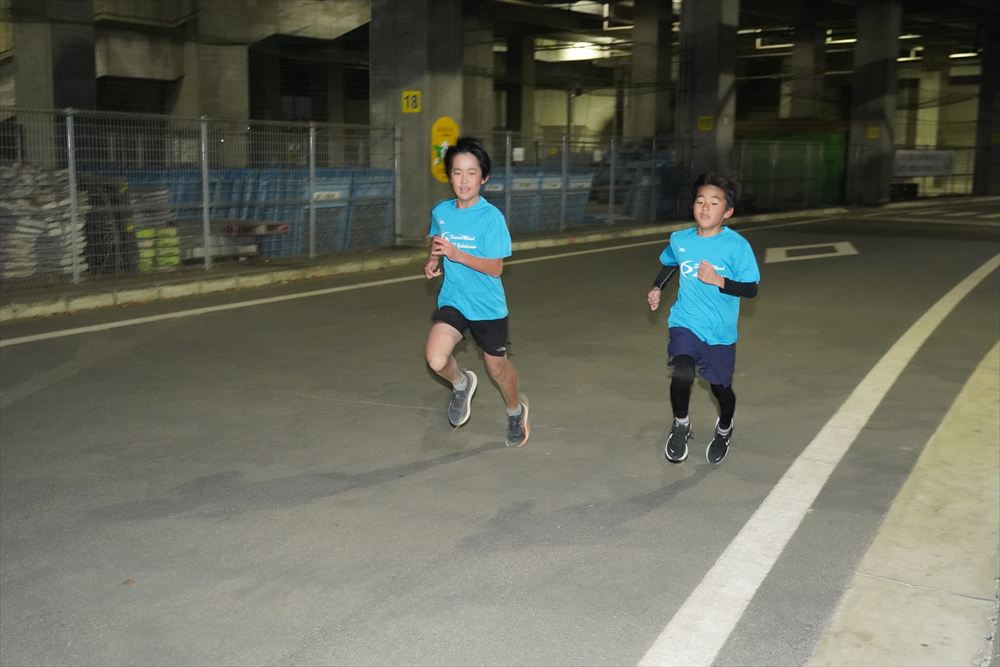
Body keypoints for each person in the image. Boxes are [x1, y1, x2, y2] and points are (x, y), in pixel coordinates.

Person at [647, 172, 760, 465]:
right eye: (700, 201)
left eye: (714, 202)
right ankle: (681, 424)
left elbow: (751, 288)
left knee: (721, 390)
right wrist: (657, 287)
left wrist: (718, 280)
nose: (705, 207)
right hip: (685, 322)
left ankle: (724, 428)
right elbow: (670, 263)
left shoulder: (736, 246)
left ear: (727, 212)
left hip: (720, 332)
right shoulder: (680, 239)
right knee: (682, 373)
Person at [423, 136, 529, 448]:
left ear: (483, 178)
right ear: (449, 176)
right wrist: (433, 260)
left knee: (497, 368)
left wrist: (458, 256)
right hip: (454, 299)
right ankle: (461, 383)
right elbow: (437, 240)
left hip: (487, 306)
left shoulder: (491, 218)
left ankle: (515, 411)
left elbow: (495, 268)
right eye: (457, 172)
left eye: (472, 173)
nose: (464, 180)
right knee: (435, 359)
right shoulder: (441, 211)